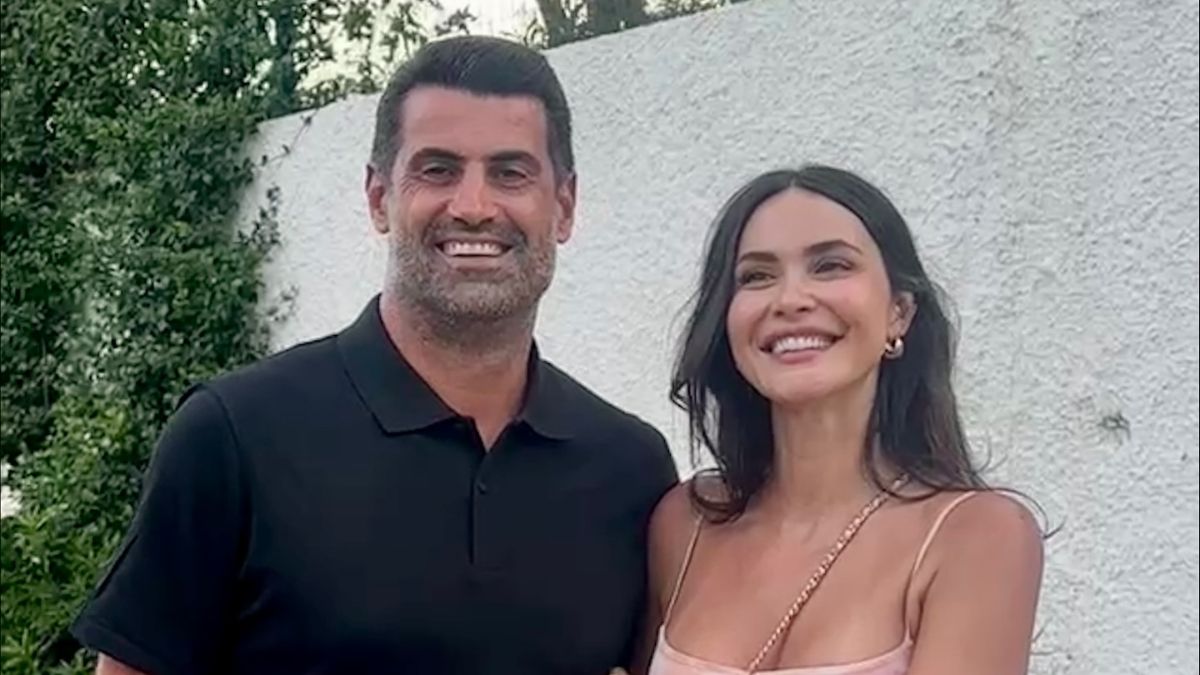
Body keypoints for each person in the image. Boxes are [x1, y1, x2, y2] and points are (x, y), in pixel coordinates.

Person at [72, 36, 678, 675]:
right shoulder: (233, 435)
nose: (474, 207)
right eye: (437, 169)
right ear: (378, 197)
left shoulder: (630, 470)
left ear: (564, 206)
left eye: (511, 173)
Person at [636, 166, 1043, 675]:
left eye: (830, 266)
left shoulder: (976, 537)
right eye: (756, 276)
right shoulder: (685, 523)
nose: (790, 300)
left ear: (899, 312)